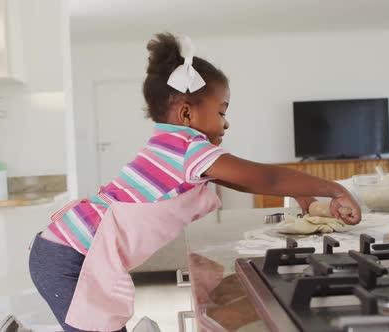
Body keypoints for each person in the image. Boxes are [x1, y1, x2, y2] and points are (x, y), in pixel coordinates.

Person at [28, 32, 361, 332]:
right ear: (187, 114)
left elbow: (246, 183)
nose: (226, 123)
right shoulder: (187, 147)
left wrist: (299, 193)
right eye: (221, 112)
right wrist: (332, 188)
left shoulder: (171, 145)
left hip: (66, 249)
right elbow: (265, 177)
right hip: (70, 257)